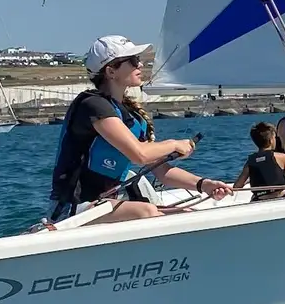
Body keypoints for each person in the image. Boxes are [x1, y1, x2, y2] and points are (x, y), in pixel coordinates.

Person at [49, 36, 232, 221]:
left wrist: (204, 184)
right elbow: (140, 155)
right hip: (74, 208)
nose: (140, 64)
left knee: (186, 214)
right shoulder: (93, 105)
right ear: (111, 71)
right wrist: (174, 144)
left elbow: (161, 171)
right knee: (147, 211)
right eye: (132, 60)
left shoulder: (130, 115)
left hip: (104, 204)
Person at [235, 121, 285, 200]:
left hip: (260, 199)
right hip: (281, 196)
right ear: (271, 140)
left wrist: (249, 179)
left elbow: (237, 186)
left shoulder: (250, 161)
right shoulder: (282, 157)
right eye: (275, 138)